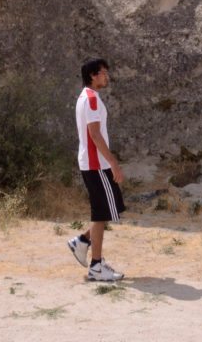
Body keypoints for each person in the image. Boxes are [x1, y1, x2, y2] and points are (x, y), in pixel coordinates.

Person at [67, 57, 126, 281]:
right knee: (102, 213)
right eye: (103, 72)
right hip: (96, 164)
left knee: (110, 209)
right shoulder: (90, 99)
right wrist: (113, 162)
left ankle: (82, 242)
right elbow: (94, 134)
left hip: (93, 164)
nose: (107, 76)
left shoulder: (88, 97)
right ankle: (96, 266)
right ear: (93, 75)